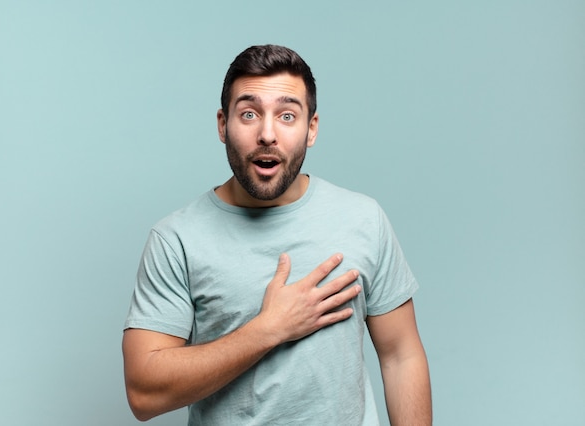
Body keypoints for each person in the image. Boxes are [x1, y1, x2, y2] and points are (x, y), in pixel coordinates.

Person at [122, 44, 432, 425]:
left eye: (287, 115)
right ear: (223, 125)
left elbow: (401, 355)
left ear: (311, 128)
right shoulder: (176, 240)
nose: (267, 134)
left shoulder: (364, 219)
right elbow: (143, 393)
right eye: (249, 114)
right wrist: (267, 330)